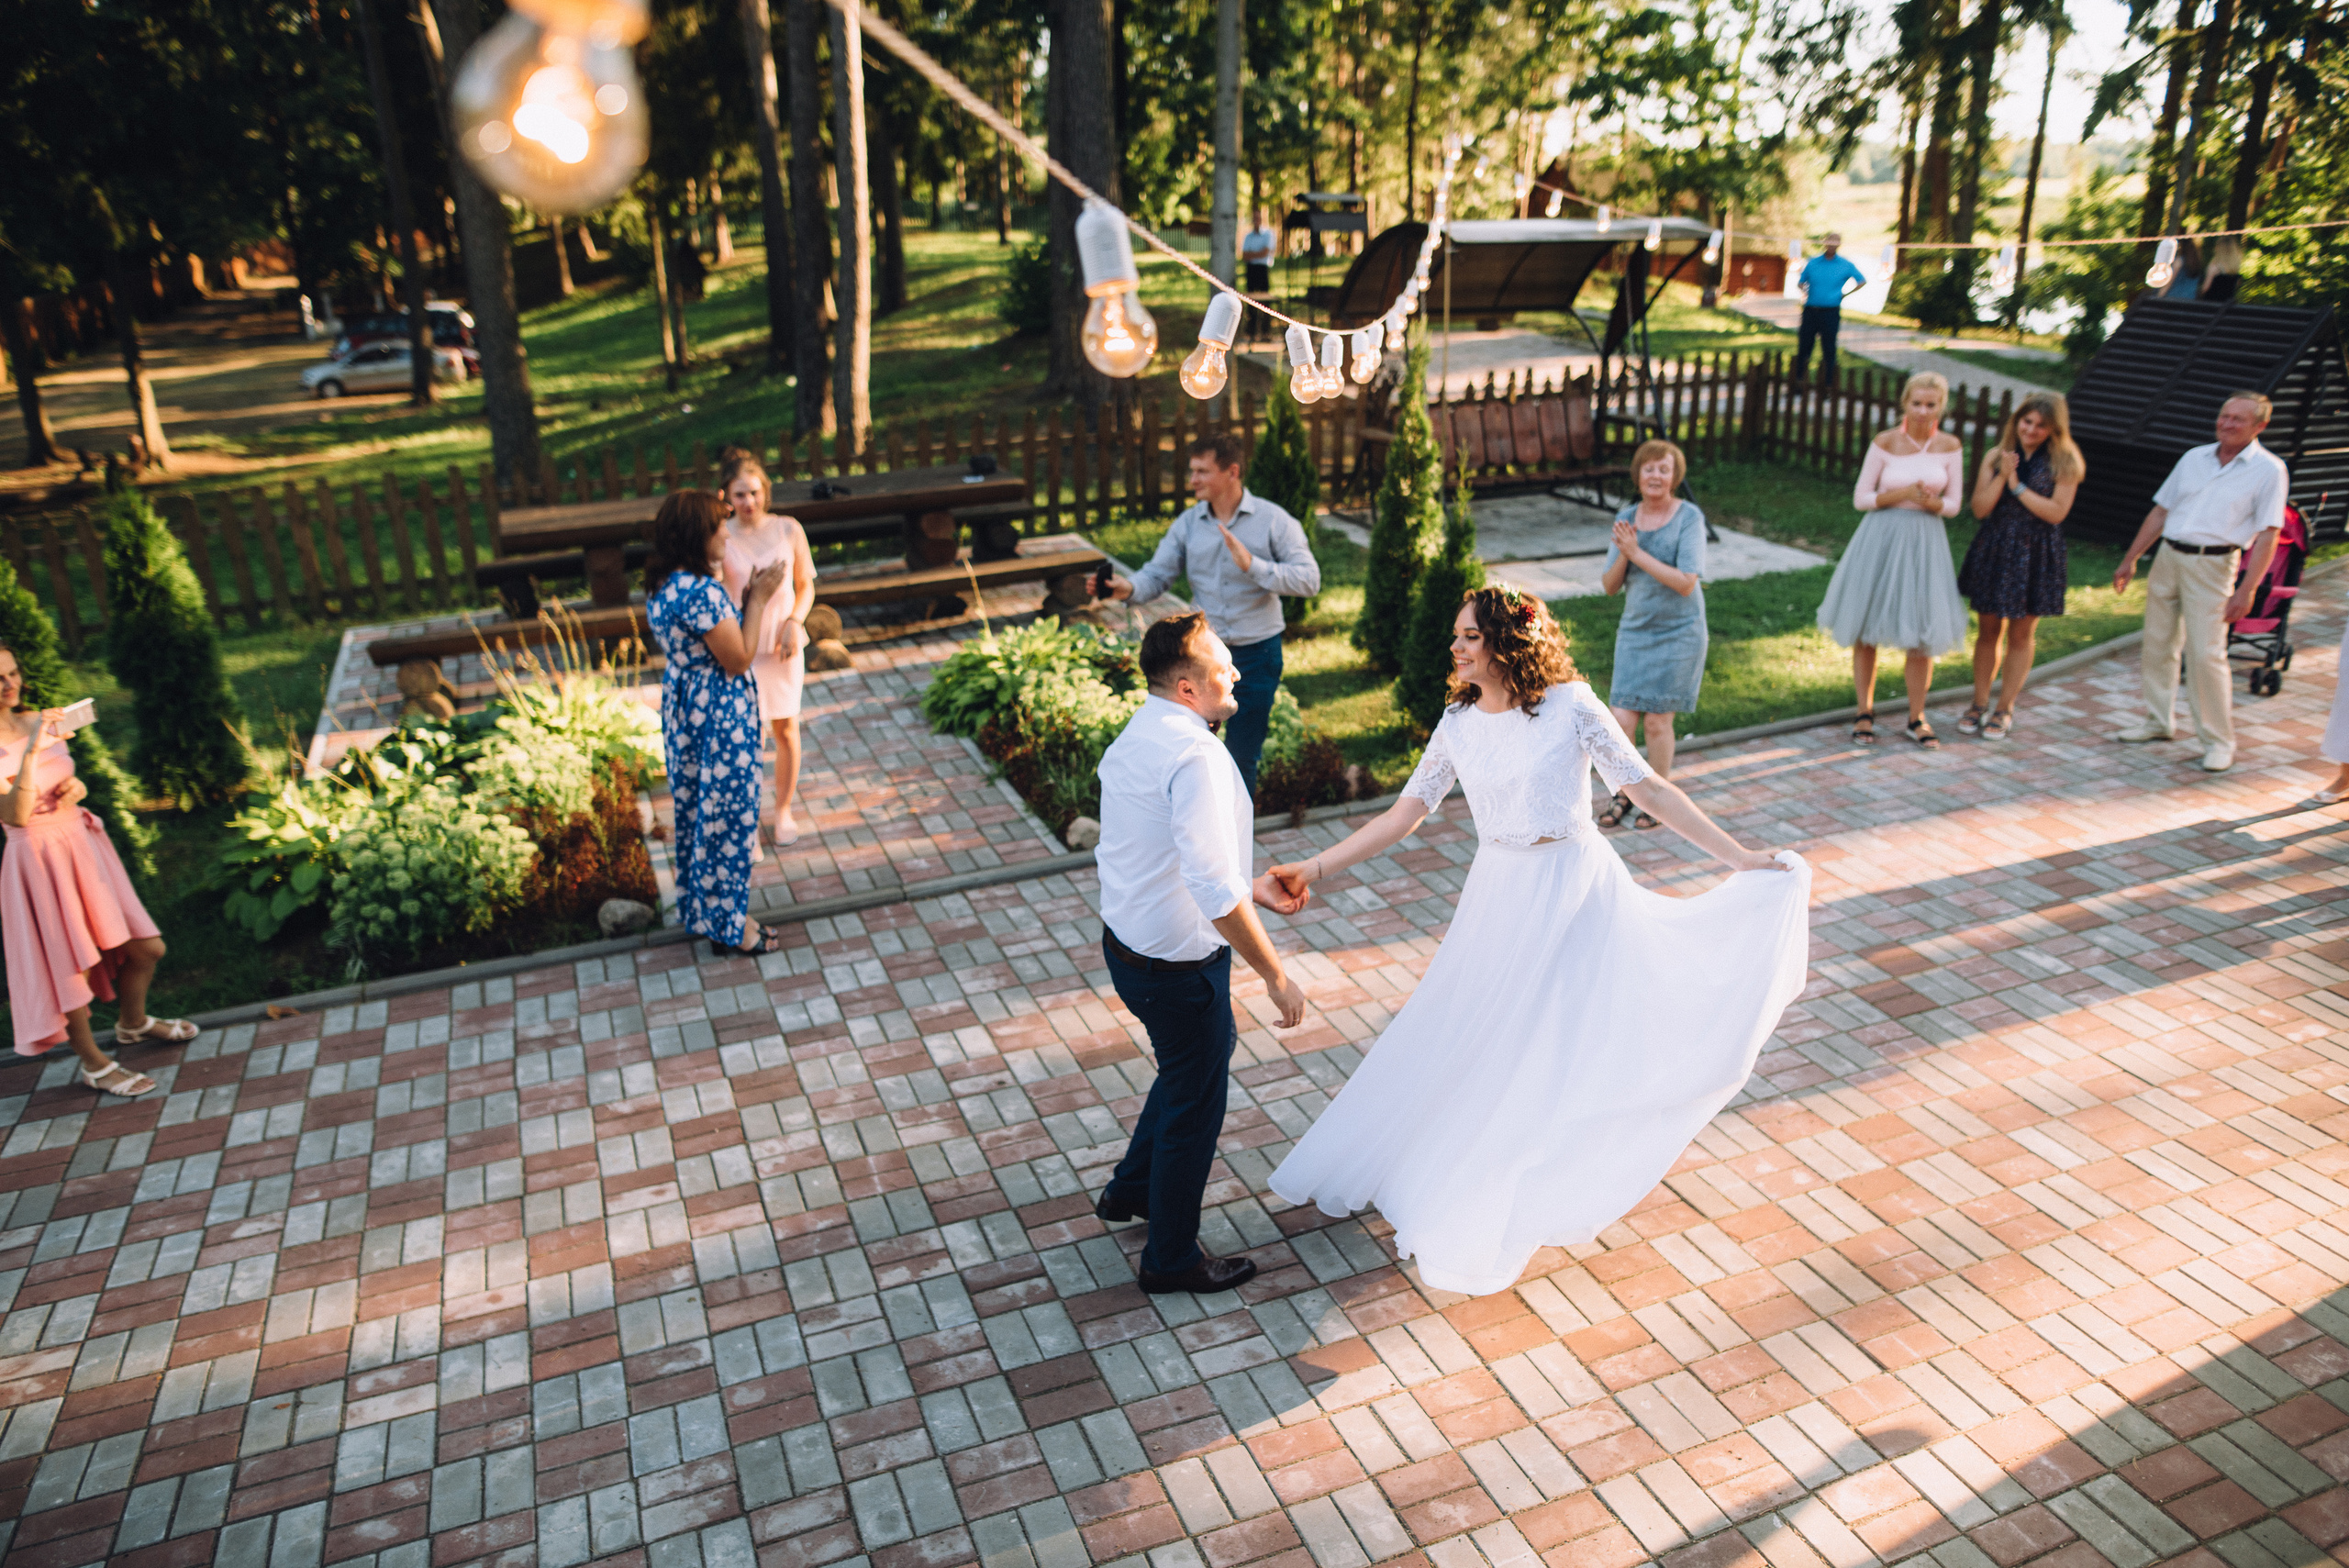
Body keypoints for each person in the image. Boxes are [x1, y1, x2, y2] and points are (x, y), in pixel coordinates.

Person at [1264, 586, 1808, 1296]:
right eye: (1456, 637)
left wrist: (1739, 858)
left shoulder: (1572, 705)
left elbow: (1648, 789)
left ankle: (1539, 1163)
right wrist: (1315, 866)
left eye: (1466, 637)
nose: (1454, 648)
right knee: (1482, 1034)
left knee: (1561, 1036)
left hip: (1578, 890)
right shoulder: (1458, 720)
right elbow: (1405, 814)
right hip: (1501, 891)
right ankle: (1468, 1162)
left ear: (1504, 642)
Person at [1093, 611, 1308, 1294]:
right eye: (1222, 662)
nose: (1237, 669)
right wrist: (1275, 975)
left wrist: (1250, 888)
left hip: (1129, 949)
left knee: (1186, 1069)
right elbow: (1212, 889)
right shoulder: (1198, 757)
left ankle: (1129, 1189)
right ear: (1188, 687)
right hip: (1179, 970)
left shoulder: (1139, 733)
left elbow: (1172, 853)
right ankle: (1170, 1257)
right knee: (1196, 1099)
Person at [0, 648, 195, 1097]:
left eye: (13, 673)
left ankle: (132, 1023)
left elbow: (64, 773)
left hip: (81, 845)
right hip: (38, 860)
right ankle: (93, 1062)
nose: (11, 684)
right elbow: (16, 814)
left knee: (147, 947)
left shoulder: (38, 720)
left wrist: (77, 787)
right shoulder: (29, 735)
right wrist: (32, 751)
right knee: (70, 967)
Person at [1105, 433, 1321, 795]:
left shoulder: (1273, 521)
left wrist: (1252, 565)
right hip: (1199, 660)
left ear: (1231, 472)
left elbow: (1309, 580)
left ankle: (1236, 840)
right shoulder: (1189, 523)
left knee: (1241, 756)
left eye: (1202, 471)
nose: (1193, 481)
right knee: (1189, 750)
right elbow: (1158, 574)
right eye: (1193, 471)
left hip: (1256, 655)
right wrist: (1127, 589)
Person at [644, 490, 791, 955]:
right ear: (695, 536)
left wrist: (744, 600)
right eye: (716, 528)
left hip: (687, 709)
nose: (725, 535)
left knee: (698, 813)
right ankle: (732, 927)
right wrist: (761, 599)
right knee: (729, 817)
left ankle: (704, 913)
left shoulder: (665, 584)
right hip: (718, 716)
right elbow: (738, 657)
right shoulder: (699, 592)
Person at [2112, 393, 2288, 773]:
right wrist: (2131, 559)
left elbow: (2269, 535)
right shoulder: (2193, 458)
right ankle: (2158, 722)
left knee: (2206, 655)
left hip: (2215, 565)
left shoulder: (2269, 470)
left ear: (2260, 426)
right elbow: (2161, 511)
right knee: (2157, 643)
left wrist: (2248, 590)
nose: (2226, 423)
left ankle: (2218, 741)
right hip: (2169, 558)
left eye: (2237, 419)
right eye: (2223, 415)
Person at [1820, 371, 1969, 750]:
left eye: (1930, 404)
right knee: (1866, 627)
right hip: (1881, 537)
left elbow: (1954, 505)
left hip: (1925, 541)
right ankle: (1863, 711)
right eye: (1916, 403)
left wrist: (1932, 502)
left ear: (1942, 407)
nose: (1922, 411)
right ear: (1904, 403)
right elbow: (1861, 498)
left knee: (1921, 633)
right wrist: (1903, 493)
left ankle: (1916, 716)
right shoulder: (1885, 441)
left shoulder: (1950, 446)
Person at [1956, 393, 2085, 740]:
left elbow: (2056, 512)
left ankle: (2005, 707)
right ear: (2016, 421)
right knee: (1988, 631)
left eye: (2041, 425)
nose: (2031, 429)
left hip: (2037, 552)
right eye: (2026, 421)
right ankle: (1979, 702)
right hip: (1996, 547)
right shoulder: (1996, 456)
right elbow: (1980, 509)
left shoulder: (2066, 462)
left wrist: (2017, 485)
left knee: (2022, 633)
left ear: (2054, 429)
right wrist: (2003, 475)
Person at [1598, 439, 1708, 828]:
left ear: (1675, 476)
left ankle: (1658, 800)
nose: (1655, 476)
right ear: (1638, 474)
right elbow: (1610, 586)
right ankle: (1624, 793)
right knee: (1621, 718)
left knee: (1658, 722)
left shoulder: (1689, 517)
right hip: (1636, 632)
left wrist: (1636, 553)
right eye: (1649, 469)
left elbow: (1685, 582)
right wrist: (1623, 555)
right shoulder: (1626, 517)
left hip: (1679, 633)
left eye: (1663, 469)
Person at [718, 448, 818, 849]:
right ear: (726, 495)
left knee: (786, 728)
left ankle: (782, 811)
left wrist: (795, 622)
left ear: (766, 493)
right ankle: (748, 823)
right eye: (740, 494)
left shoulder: (789, 529)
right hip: (742, 643)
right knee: (747, 737)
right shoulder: (721, 535)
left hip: (783, 642)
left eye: (755, 493)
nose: (749, 502)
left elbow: (805, 584)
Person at [1792, 232, 1867, 384]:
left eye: (1836, 241)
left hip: (1830, 312)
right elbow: (1801, 282)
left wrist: (1844, 295)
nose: (1832, 244)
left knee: (1829, 349)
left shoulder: (1845, 265)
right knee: (1804, 348)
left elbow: (1861, 281)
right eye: (1830, 240)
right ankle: (1799, 383)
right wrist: (1806, 291)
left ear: (1839, 243)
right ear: (1824, 242)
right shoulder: (1813, 262)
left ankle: (1827, 385)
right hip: (1811, 311)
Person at [1241, 217, 1276, 295]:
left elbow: (1265, 253)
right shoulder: (1248, 236)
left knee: (1264, 297)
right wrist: (1259, 253)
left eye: (1257, 218)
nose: (1255, 221)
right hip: (1251, 269)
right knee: (1250, 296)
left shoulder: (1268, 234)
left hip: (1263, 269)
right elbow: (1244, 256)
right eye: (1254, 218)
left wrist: (1251, 254)